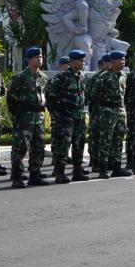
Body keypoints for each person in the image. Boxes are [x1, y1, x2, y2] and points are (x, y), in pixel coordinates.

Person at [6, 47, 50, 188]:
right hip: (24, 117)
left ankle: (35, 175)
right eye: (37, 57)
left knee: (39, 147)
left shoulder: (43, 77)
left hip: (39, 117)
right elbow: (11, 98)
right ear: (29, 60)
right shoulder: (21, 77)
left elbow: (45, 96)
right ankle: (17, 177)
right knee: (21, 148)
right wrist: (18, 114)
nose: (40, 59)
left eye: (41, 57)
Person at [45, 49, 90, 183]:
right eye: (80, 60)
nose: (82, 63)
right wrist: (58, 115)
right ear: (72, 61)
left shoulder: (82, 76)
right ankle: (60, 173)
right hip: (65, 118)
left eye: (83, 60)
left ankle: (77, 171)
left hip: (79, 117)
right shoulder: (61, 78)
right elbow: (50, 98)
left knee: (79, 145)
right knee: (63, 146)